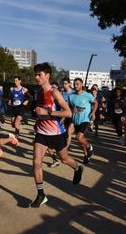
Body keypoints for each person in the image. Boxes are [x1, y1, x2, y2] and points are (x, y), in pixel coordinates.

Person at [31, 63, 83, 208]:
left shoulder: (54, 93)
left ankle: (78, 168)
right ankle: (41, 195)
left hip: (56, 133)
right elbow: (41, 111)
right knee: (36, 162)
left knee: (64, 159)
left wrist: (47, 113)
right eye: (35, 74)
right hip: (41, 133)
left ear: (47, 76)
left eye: (39, 75)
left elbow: (68, 113)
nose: (36, 77)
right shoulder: (38, 92)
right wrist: (38, 120)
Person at [68, 78, 98, 164]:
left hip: (85, 119)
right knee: (80, 141)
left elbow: (95, 102)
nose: (75, 85)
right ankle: (86, 155)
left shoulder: (87, 95)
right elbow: (70, 107)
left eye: (77, 84)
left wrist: (93, 112)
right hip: (75, 119)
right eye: (74, 84)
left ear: (81, 85)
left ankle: (89, 147)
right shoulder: (71, 96)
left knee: (79, 137)